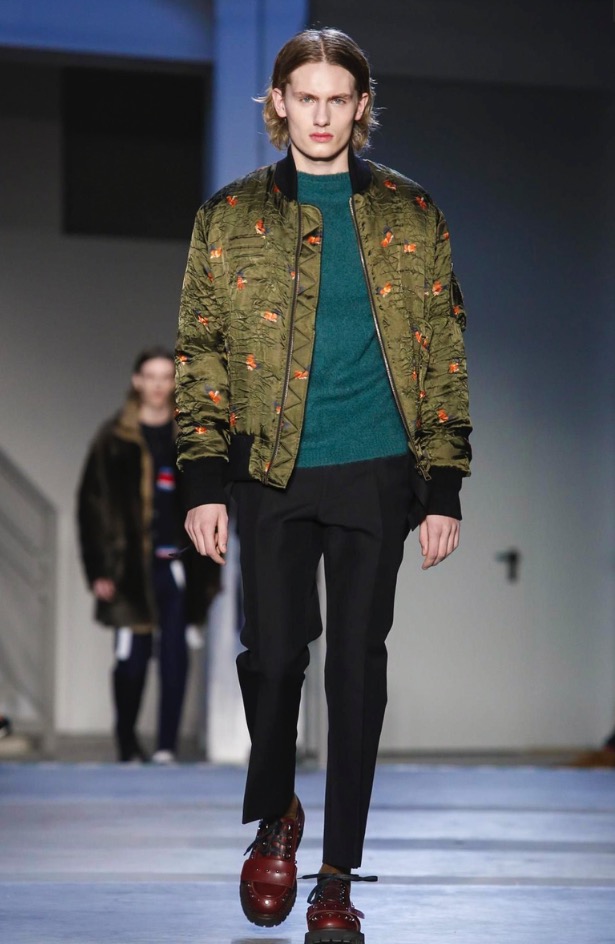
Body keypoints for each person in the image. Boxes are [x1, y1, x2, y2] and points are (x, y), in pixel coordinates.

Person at [175, 28, 472, 944]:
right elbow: (201, 350)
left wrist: (443, 484)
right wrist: (201, 478)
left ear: (359, 107)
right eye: (304, 97)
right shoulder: (229, 216)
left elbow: (443, 347)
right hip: (266, 470)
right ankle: (277, 813)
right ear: (278, 103)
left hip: (376, 468)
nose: (320, 114)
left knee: (356, 671)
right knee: (272, 657)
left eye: (337, 99)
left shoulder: (409, 212)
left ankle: (334, 880)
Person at [77, 347, 219, 763]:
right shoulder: (113, 439)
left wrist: (209, 573)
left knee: (175, 656)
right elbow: (91, 508)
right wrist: (99, 569)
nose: (159, 385)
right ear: (137, 381)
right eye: (151, 376)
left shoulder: (190, 437)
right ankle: (126, 743)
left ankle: (166, 748)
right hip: (128, 569)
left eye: (166, 376)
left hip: (178, 565)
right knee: (131, 660)